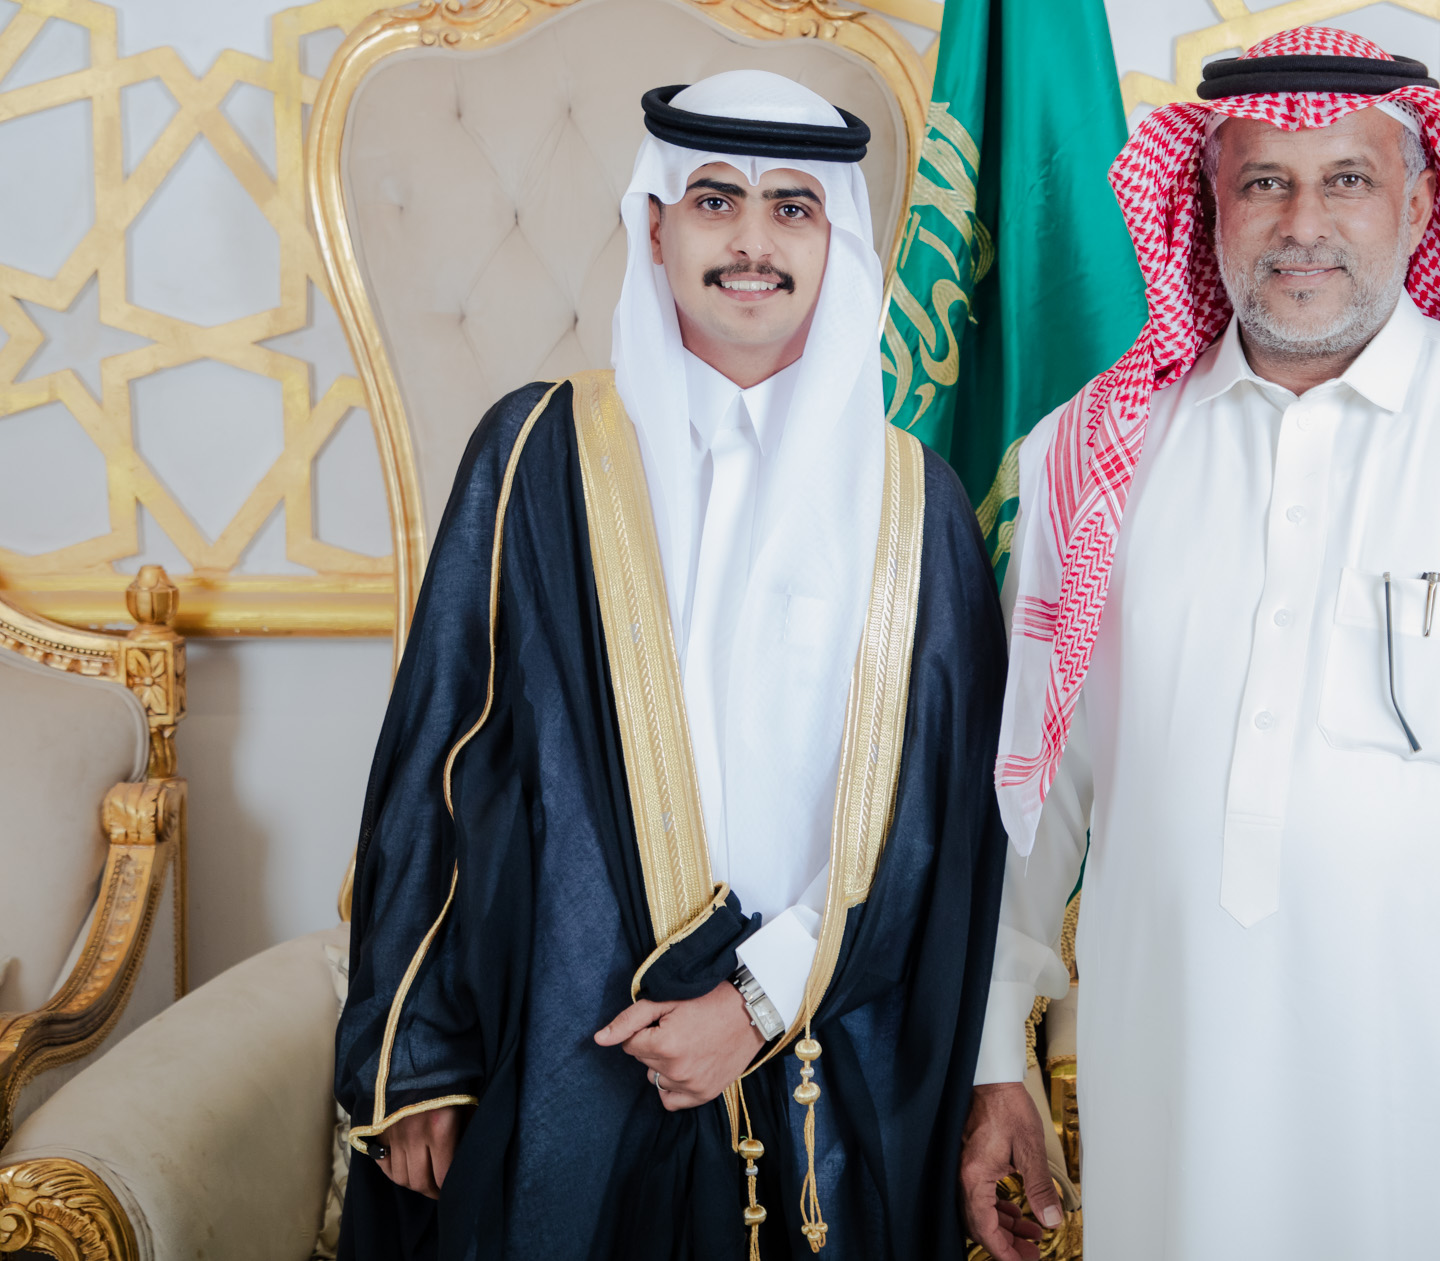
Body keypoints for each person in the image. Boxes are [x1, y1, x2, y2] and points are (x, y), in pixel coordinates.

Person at [959, 27, 1440, 1261]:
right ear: (1207, 202)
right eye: (1263, 182)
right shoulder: (1092, 453)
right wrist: (993, 1051)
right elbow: (1031, 793)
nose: (1302, 224)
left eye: (1347, 180)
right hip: (1170, 1098)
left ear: (1420, 204)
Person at [335, 70, 1008, 1261]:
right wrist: (417, 1054)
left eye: (792, 207)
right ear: (655, 228)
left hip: (824, 1052)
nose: (751, 242)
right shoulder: (538, 452)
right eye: (713, 201)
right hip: (572, 1029)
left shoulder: (914, 504)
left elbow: (939, 819)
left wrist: (753, 1002)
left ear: (837, 241)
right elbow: (440, 752)